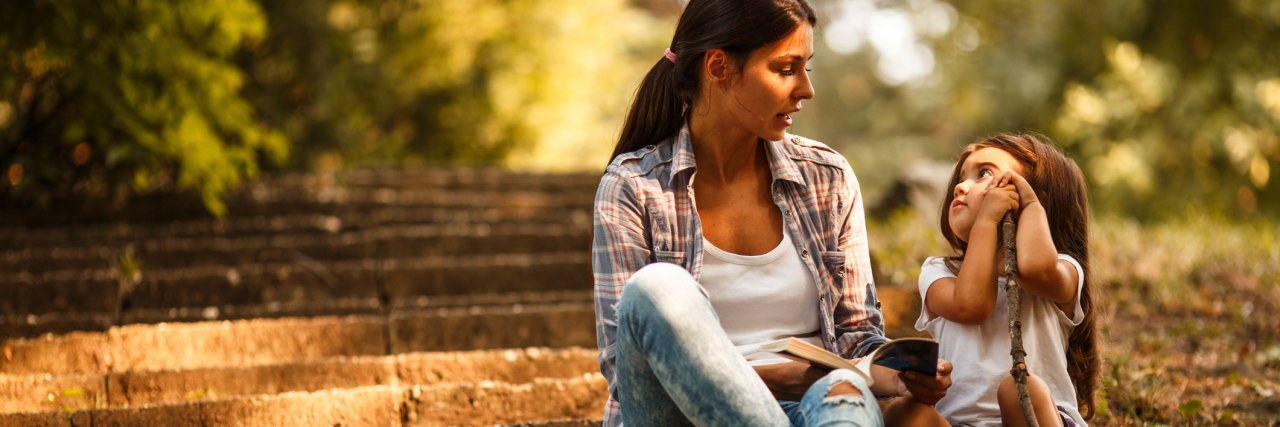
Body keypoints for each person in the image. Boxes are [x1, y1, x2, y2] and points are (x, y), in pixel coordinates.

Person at [592, 0, 953, 425]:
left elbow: (857, 338)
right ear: (719, 67)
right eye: (786, 69)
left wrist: (899, 373)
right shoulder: (634, 185)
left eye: (807, 68)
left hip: (816, 406)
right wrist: (782, 377)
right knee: (655, 289)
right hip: (681, 414)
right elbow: (628, 366)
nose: (806, 89)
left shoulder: (827, 178)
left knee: (846, 394)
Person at [914, 134, 1101, 427]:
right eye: (961, 178)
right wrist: (988, 222)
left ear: (1037, 198)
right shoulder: (938, 272)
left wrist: (1030, 208)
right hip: (959, 423)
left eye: (984, 174)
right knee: (906, 413)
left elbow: (1033, 270)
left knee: (1018, 388)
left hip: (1038, 418)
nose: (960, 186)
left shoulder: (1064, 270)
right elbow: (971, 306)